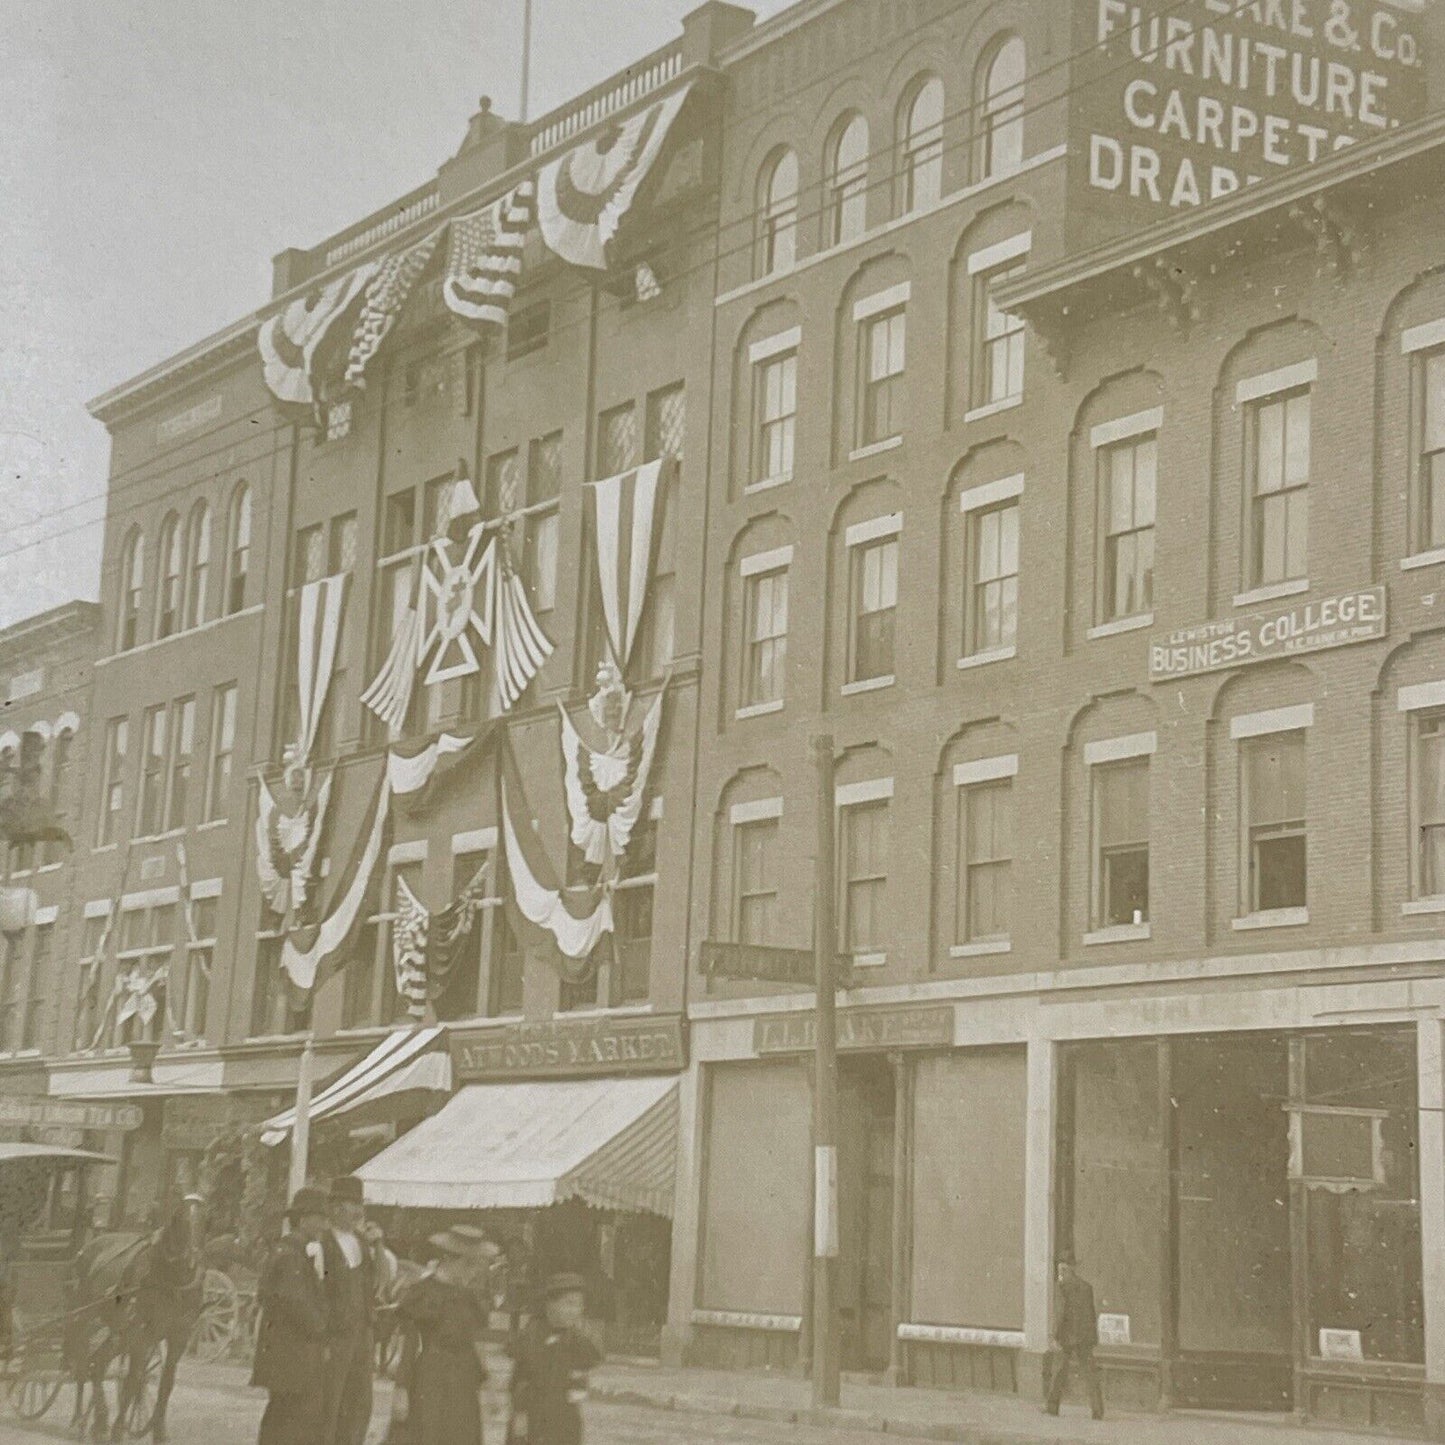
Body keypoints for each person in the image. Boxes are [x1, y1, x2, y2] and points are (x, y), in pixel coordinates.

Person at [396, 1227, 494, 1445]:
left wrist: (488, 1385)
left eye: (477, 1265)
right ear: (448, 1259)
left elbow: (474, 1340)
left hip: (464, 1380)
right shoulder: (422, 1293)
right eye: (469, 1264)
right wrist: (401, 1390)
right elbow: (410, 1344)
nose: (474, 1271)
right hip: (431, 1379)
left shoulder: (469, 1297)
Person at [252, 1186, 330, 1445]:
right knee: (289, 1419)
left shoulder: (293, 1251)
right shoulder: (291, 1255)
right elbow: (296, 1303)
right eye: (320, 1217)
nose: (323, 1224)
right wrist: (323, 1328)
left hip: (287, 1352)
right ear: (304, 1218)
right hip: (290, 1353)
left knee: (282, 1416)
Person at [507, 1273, 603, 1445]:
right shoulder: (532, 1334)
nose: (575, 1310)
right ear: (550, 1304)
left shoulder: (576, 1337)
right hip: (533, 1415)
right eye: (569, 1303)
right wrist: (520, 1414)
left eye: (579, 1305)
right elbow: (520, 1378)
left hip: (564, 1418)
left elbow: (589, 1363)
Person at [322, 1177, 376, 1445]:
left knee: (360, 1401)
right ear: (334, 1207)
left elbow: (370, 1285)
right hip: (334, 1335)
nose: (356, 1211)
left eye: (358, 1204)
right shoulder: (322, 1241)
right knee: (330, 1402)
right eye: (350, 1204)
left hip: (361, 1335)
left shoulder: (361, 1243)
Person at [1044, 1254, 1104, 1420]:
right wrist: (1092, 1337)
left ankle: (1052, 1406)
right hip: (1084, 1336)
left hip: (1067, 1336)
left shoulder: (1062, 1287)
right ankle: (1098, 1410)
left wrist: (1055, 1334)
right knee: (1090, 1373)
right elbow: (1091, 1315)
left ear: (1064, 1269)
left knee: (1059, 1371)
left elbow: (1060, 1312)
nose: (1060, 1273)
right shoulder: (1086, 1287)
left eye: (1061, 1270)